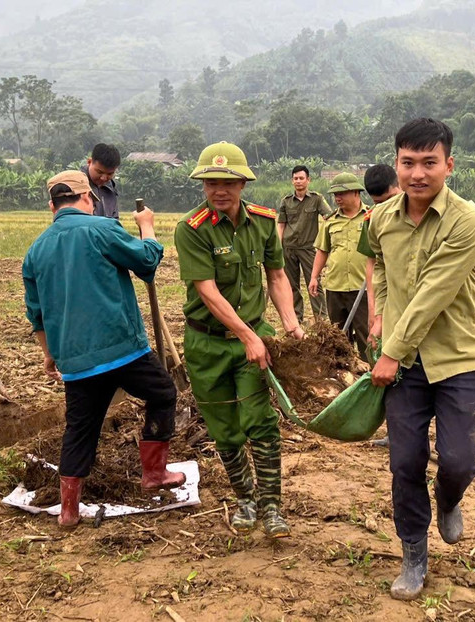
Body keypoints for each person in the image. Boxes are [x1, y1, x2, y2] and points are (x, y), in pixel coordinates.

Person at [23, 171, 185, 529]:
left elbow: (36, 315)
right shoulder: (102, 228)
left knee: (80, 429)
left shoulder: (36, 251)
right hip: (122, 348)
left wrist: (50, 355)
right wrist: (147, 226)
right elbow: (146, 263)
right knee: (162, 393)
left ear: (52, 206)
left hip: (77, 360)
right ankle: (154, 474)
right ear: (88, 199)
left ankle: (68, 511)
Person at [367, 118, 475, 600]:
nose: (418, 173)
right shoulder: (379, 219)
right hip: (402, 365)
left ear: (448, 165)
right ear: (397, 165)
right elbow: (378, 269)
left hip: (456, 357)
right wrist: (378, 316)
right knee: (405, 462)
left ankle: (450, 497)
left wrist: (391, 349)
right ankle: (414, 553)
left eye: (429, 163)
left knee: (459, 460)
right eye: (408, 163)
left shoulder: (467, 221)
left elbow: (433, 293)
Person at [174, 142, 304, 538]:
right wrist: (247, 335)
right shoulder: (191, 230)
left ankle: (272, 507)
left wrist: (291, 325)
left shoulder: (264, 222)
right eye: (211, 182)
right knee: (225, 427)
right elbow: (208, 292)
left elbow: (277, 276)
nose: (219, 190)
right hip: (207, 344)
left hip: (253, 340)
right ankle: (245, 500)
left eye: (228, 182)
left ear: (243, 183)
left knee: (260, 421)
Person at [309, 172, 369, 359]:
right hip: (336, 287)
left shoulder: (371, 217)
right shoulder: (331, 221)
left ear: (356, 193)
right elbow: (322, 250)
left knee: (365, 334)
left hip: (363, 287)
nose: (337, 198)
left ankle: (369, 375)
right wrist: (313, 277)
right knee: (338, 337)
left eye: (341, 194)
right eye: (335, 195)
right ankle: (344, 374)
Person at [277, 165, 333, 323]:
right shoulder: (286, 201)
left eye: (302, 178)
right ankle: (296, 318)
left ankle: (320, 319)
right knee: (291, 285)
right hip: (288, 248)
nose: (298, 181)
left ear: (308, 180)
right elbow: (281, 225)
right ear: (292, 181)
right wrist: (277, 246)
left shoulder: (316, 199)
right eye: (295, 178)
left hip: (309, 249)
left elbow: (328, 217)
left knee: (314, 284)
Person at [357, 164, 401, 351]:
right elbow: (372, 264)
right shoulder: (373, 220)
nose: (386, 207)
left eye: (391, 199)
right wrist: (373, 311)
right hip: (388, 297)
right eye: (379, 203)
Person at [81, 143, 121, 219]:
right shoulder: (76, 186)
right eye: (99, 172)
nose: (103, 178)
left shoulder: (111, 189)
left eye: (110, 173)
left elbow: (114, 221)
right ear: (89, 162)